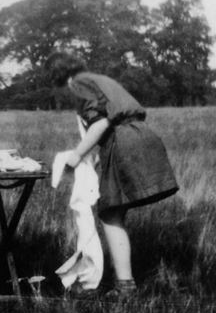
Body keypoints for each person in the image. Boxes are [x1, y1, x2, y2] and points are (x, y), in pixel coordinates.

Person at [47, 50, 179, 296]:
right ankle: (125, 283)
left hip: (124, 141)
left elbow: (100, 123)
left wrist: (75, 158)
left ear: (60, 77)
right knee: (115, 211)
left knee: (110, 213)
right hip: (142, 135)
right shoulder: (100, 79)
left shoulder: (78, 83)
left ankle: (125, 287)